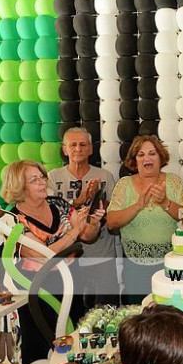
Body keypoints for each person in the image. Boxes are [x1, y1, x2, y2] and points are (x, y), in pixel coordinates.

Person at [0, 160, 104, 364]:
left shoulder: (58, 204)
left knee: (74, 333)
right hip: (39, 288)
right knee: (42, 341)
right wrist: (75, 231)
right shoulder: (13, 220)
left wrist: (93, 223)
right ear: (19, 186)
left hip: (72, 279)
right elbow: (44, 256)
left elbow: (88, 236)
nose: (42, 182)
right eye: (34, 179)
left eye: (42, 177)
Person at [107, 135, 183, 304]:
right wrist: (137, 206)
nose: (146, 158)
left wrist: (165, 202)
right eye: (141, 154)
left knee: (169, 313)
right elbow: (111, 222)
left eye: (152, 153)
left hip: (170, 265)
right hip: (135, 268)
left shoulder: (174, 181)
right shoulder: (124, 184)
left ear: (161, 157)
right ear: (134, 160)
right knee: (139, 314)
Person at [48, 126, 119, 310]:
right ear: (64, 149)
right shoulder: (53, 177)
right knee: (73, 312)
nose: (78, 149)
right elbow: (51, 216)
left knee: (106, 312)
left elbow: (114, 215)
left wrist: (98, 200)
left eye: (82, 144)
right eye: (72, 145)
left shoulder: (105, 176)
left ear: (90, 149)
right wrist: (79, 200)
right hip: (67, 259)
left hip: (102, 256)